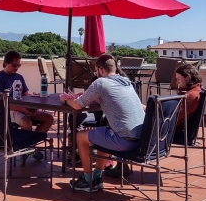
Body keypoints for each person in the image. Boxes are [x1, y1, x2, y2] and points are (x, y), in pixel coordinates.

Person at [61, 53, 145, 192]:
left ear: (100, 70)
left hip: (124, 140)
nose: (96, 74)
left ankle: (88, 180)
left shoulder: (100, 82)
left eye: (95, 71)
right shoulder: (126, 81)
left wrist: (64, 99)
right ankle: (97, 177)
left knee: (81, 136)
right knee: (103, 132)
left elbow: (77, 105)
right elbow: (112, 98)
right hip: (141, 139)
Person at [0, 51, 54, 134]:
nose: (16, 67)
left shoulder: (19, 77)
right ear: (6, 63)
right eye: (14, 65)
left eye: (18, 65)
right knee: (26, 123)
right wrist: (22, 109)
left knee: (49, 118)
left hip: (22, 109)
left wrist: (32, 106)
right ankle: (24, 144)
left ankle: (32, 141)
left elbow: (26, 96)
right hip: (7, 110)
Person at [174, 64, 203, 130]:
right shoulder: (192, 91)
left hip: (169, 130)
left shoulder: (191, 95)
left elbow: (175, 115)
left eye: (178, 79)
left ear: (187, 78)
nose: (177, 82)